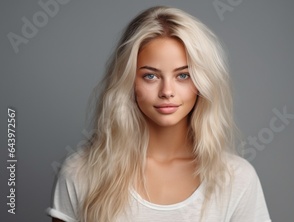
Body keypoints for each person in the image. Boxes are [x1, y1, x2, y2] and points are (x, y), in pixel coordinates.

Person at [47, 6, 271, 222]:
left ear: (203, 83)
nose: (167, 92)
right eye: (150, 76)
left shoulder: (236, 178)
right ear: (128, 81)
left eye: (183, 75)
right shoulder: (82, 172)